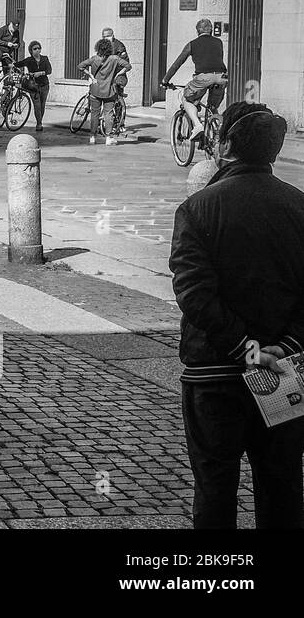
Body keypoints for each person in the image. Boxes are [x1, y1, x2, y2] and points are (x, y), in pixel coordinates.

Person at [169, 101, 304, 528]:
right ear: (274, 152)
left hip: (215, 373)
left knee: (214, 487)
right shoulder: (300, 207)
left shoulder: (198, 208)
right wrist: (284, 346)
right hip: (283, 370)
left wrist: (245, 349)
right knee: (282, 487)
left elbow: (194, 294)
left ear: (226, 145)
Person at [161, 19, 229, 147]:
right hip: (221, 77)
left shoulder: (192, 44)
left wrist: (165, 80)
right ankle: (219, 130)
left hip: (203, 78)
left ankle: (198, 126)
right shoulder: (219, 42)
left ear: (197, 31)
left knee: (187, 99)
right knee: (213, 108)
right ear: (210, 29)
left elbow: (177, 63)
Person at [78, 38, 131, 144]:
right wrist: (118, 74)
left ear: (98, 48)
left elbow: (80, 66)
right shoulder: (115, 59)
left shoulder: (94, 59)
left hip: (95, 89)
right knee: (108, 114)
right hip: (109, 91)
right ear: (109, 48)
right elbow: (128, 66)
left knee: (94, 114)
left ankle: (92, 137)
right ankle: (108, 138)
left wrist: (91, 76)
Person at [15, 41, 53, 131]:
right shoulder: (29, 60)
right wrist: (10, 64)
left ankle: (39, 121)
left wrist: (41, 73)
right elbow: (18, 64)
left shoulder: (45, 58)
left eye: (39, 48)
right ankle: (39, 124)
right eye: (35, 49)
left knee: (42, 105)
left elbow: (49, 70)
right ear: (31, 50)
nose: (37, 50)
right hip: (33, 86)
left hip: (44, 85)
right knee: (37, 106)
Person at [101, 26, 130, 99]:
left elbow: (125, 63)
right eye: (104, 37)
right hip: (107, 72)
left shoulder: (119, 46)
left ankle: (120, 107)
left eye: (107, 36)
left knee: (117, 90)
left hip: (118, 73)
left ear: (112, 36)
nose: (105, 38)